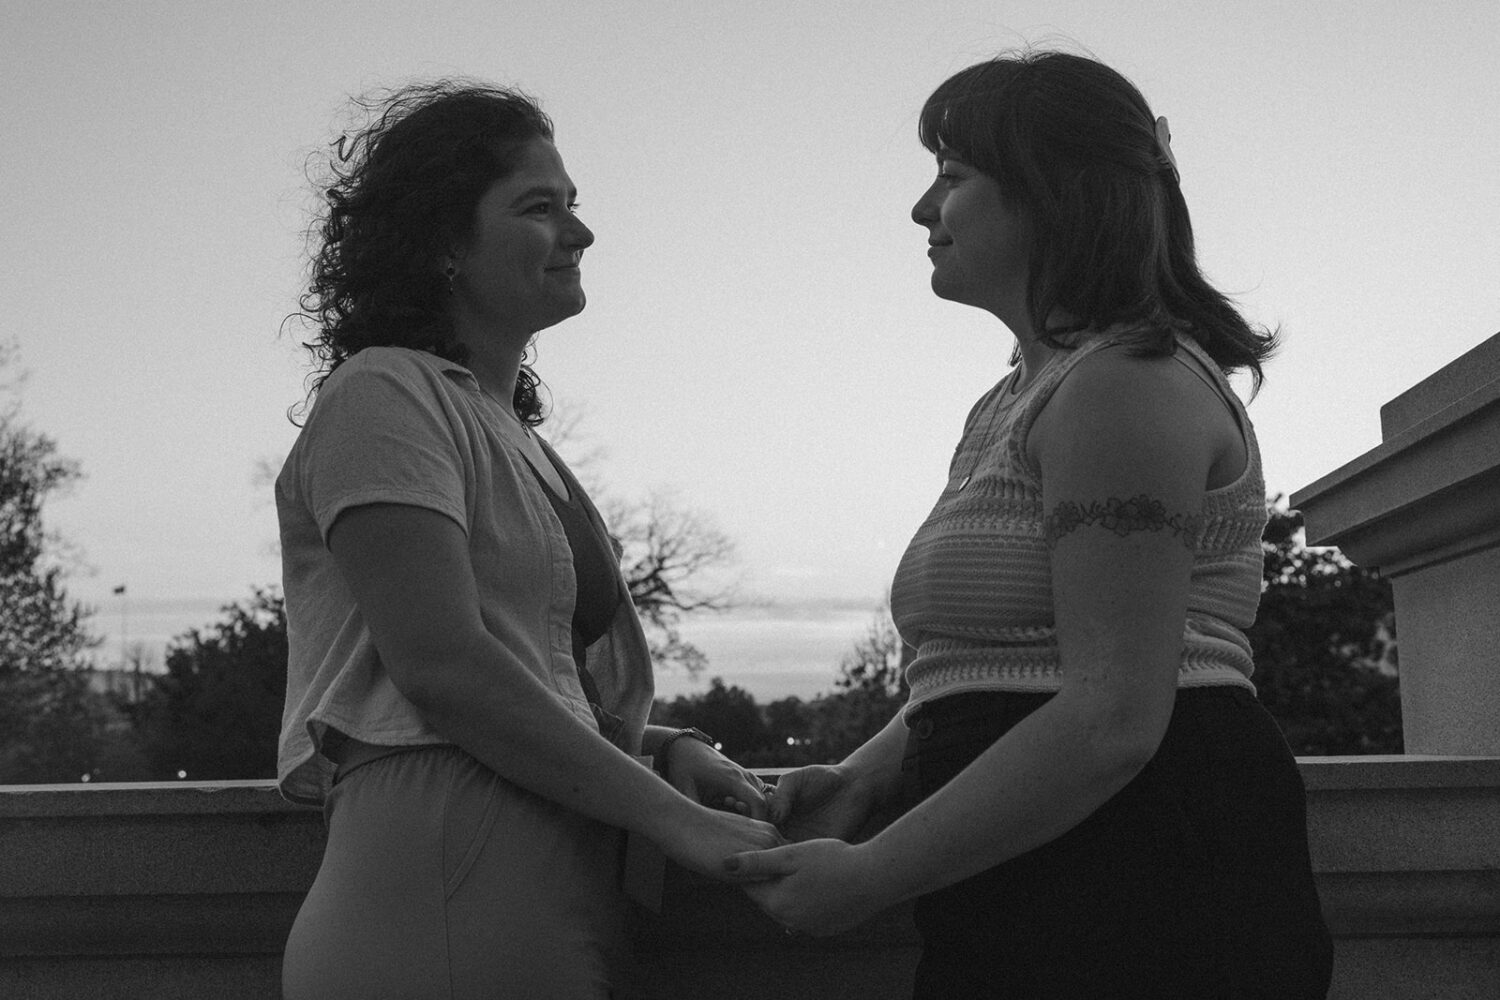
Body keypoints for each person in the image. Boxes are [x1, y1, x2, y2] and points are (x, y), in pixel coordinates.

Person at [731, 50, 1334, 999]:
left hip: (1144, 880)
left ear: (1053, 195)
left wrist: (872, 874)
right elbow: (1002, 665)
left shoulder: (1125, 387)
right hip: (1040, 868)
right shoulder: (1019, 398)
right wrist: (865, 776)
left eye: (953, 176)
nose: (924, 210)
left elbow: (1111, 716)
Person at [274, 81, 781, 1000]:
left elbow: (528, 672)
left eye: (573, 205)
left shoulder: (511, 437)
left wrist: (660, 745)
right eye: (540, 208)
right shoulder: (383, 395)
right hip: (442, 881)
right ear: (441, 244)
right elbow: (444, 670)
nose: (580, 233)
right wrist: (675, 818)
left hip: (549, 882)